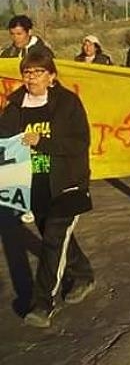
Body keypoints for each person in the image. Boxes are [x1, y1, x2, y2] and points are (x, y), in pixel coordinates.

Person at [0, 50, 94, 328]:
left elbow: (80, 143)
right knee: (58, 238)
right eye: (27, 72)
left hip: (68, 184)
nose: (31, 78)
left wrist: (42, 142)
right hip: (33, 187)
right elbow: (4, 140)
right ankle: (82, 274)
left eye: (38, 72)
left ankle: (43, 304)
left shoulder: (68, 103)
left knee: (53, 239)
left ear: (51, 76)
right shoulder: (15, 104)